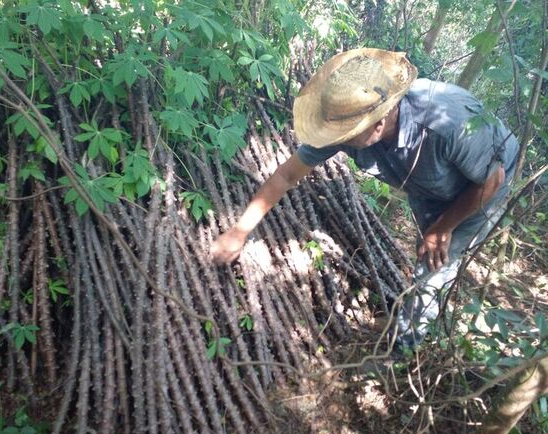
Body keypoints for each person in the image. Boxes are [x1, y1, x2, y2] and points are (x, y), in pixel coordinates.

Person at [211, 48, 519, 351]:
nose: (335, 139)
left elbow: (492, 181)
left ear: (378, 124)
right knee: (426, 245)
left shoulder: (445, 127)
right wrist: (239, 231)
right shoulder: (347, 121)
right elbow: (286, 176)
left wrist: (444, 227)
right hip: (428, 183)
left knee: (433, 265)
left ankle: (404, 348)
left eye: (344, 134)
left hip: (481, 186)